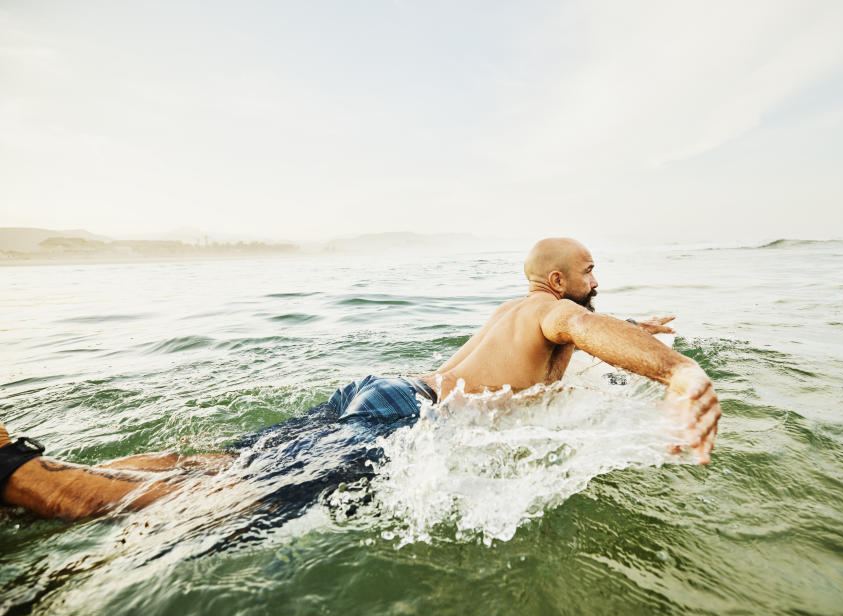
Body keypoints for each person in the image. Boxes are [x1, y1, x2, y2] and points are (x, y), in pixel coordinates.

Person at [0, 238, 720, 521]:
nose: (600, 280)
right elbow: (587, 328)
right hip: (404, 413)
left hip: (379, 388)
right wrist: (681, 372)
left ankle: (52, 466)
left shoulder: (523, 309)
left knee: (215, 460)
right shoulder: (558, 312)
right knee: (245, 497)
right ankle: (19, 473)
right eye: (592, 269)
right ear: (560, 280)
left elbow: (592, 335)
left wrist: (633, 332)